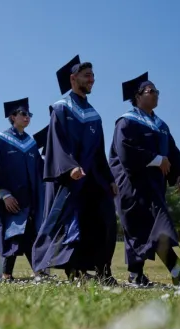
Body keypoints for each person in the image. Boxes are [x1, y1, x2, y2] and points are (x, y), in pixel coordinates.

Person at [110, 72, 180, 287]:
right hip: (132, 186)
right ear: (137, 96)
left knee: (158, 229)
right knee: (137, 229)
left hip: (154, 186)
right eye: (150, 91)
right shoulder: (126, 122)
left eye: (156, 91)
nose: (155, 95)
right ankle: (141, 275)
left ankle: (175, 274)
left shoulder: (160, 125)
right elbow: (125, 152)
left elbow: (172, 151)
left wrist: (179, 174)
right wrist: (155, 159)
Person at [32, 55, 118, 281]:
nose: (92, 80)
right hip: (69, 177)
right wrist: (70, 167)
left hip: (93, 177)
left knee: (103, 218)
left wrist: (109, 179)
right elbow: (57, 142)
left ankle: (102, 271)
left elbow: (99, 152)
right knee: (67, 223)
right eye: (87, 75)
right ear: (73, 78)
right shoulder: (61, 108)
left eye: (93, 76)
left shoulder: (95, 116)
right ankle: (46, 266)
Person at [0, 98, 45, 279]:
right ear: (13, 117)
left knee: (29, 234)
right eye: (23, 114)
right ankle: (10, 273)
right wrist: (4, 193)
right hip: (11, 196)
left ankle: (26, 272)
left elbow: (39, 170)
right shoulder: (0, 139)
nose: (27, 117)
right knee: (14, 233)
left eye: (29, 115)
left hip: (30, 196)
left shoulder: (31, 143)